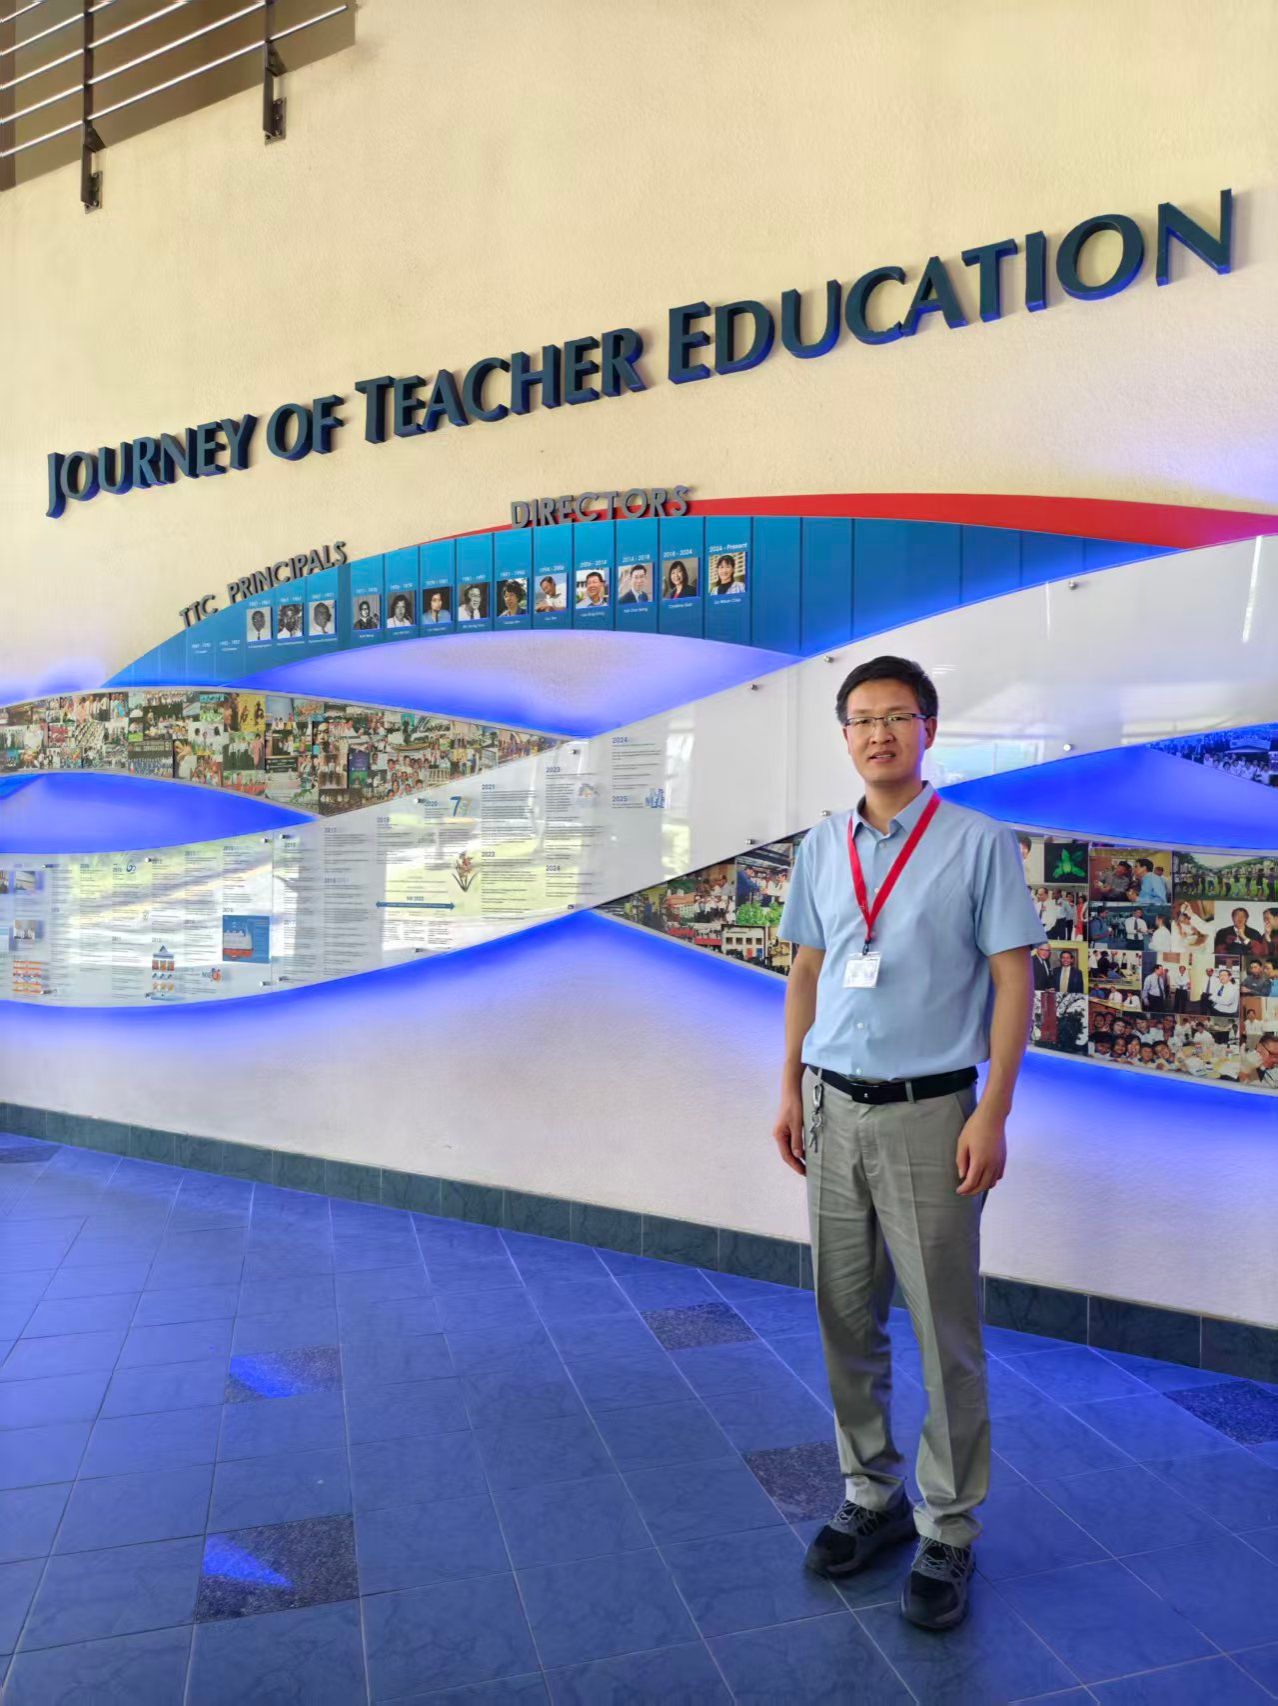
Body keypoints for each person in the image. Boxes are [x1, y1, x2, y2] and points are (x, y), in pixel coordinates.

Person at [773, 653, 1044, 1633]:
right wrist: (789, 1086)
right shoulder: (822, 844)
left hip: (935, 1113)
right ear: (844, 734)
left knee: (943, 1329)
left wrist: (993, 1110)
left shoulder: (977, 842)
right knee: (845, 1316)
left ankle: (949, 1526)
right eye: (862, 718)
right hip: (831, 1107)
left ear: (929, 727)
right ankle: (871, 1491)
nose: (878, 732)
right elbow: (808, 971)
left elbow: (1013, 980)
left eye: (898, 715)